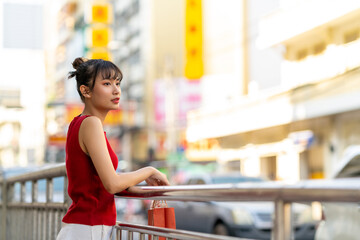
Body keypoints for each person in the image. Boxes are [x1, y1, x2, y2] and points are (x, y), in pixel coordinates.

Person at [56, 57, 170, 240]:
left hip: (84, 228)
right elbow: (112, 183)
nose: (116, 90)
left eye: (118, 83)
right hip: (89, 229)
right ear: (86, 91)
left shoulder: (79, 123)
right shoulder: (91, 124)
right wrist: (149, 171)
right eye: (107, 83)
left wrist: (141, 188)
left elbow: (101, 183)